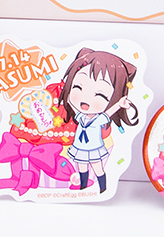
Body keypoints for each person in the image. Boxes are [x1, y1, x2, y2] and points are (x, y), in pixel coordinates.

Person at [58, 47, 140, 195]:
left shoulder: (98, 118)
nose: (85, 100)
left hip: (94, 148)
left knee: (98, 168)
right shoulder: (81, 117)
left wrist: (119, 105)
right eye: (78, 87)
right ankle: (83, 186)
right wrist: (66, 96)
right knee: (82, 167)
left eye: (100, 95)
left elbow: (108, 113)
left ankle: (102, 188)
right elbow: (73, 107)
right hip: (79, 147)